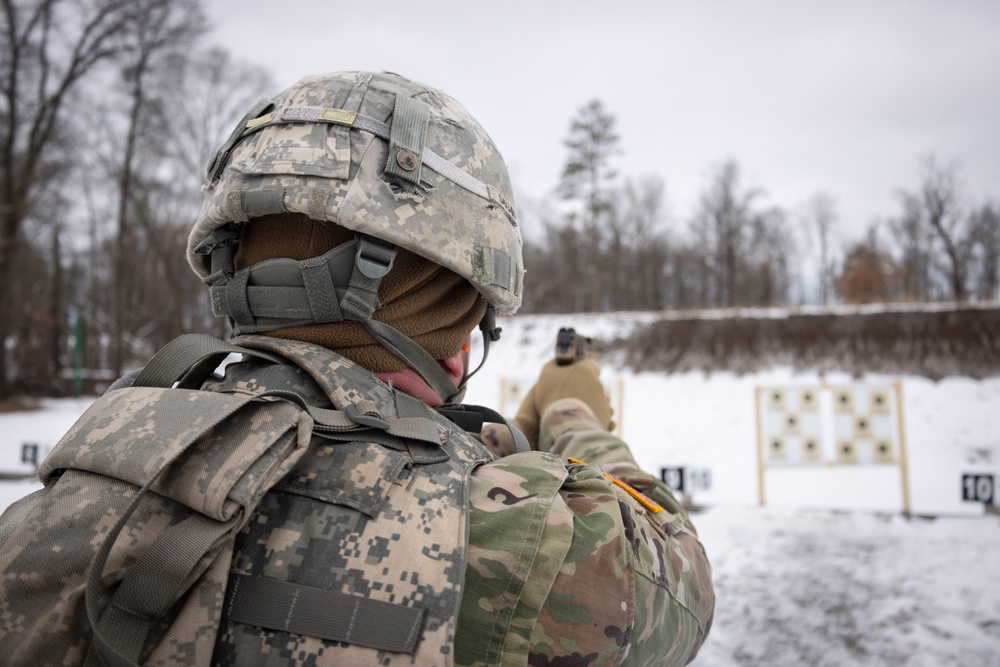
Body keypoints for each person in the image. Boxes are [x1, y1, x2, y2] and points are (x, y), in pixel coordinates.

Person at [1, 71, 713, 666]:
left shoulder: (65, 499)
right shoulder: (518, 543)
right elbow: (681, 579)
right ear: (453, 311)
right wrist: (572, 414)